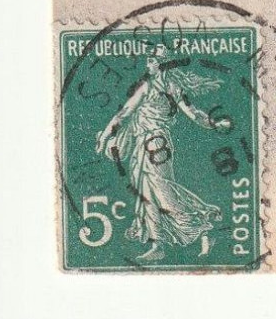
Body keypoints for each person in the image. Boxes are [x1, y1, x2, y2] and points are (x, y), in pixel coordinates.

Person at [95, 43, 231, 261]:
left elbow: (124, 114)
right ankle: (159, 243)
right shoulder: (171, 87)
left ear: (162, 63)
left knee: (160, 191)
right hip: (152, 143)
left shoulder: (150, 87)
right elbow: (194, 114)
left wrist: (104, 136)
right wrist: (214, 123)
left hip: (154, 143)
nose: (148, 62)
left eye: (153, 59)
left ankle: (202, 225)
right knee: (151, 192)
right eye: (149, 58)